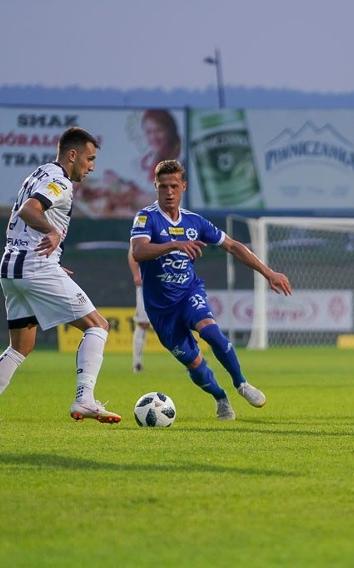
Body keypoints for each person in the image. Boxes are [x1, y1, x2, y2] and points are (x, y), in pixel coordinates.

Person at [0, 127, 121, 429]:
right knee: (98, 326)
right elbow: (28, 210)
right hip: (34, 268)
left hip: (12, 266)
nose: (92, 167)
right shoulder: (60, 182)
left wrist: (48, 256)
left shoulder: (38, 174)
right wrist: (51, 233)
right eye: (89, 159)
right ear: (72, 155)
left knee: (20, 346)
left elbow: (18, 216)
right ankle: (84, 398)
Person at [130, 159, 292, 421]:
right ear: (155, 187)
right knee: (194, 362)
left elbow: (233, 246)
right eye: (163, 187)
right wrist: (174, 245)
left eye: (173, 186)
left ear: (183, 186)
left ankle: (241, 383)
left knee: (211, 331)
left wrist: (268, 272)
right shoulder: (146, 217)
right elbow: (138, 251)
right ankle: (220, 397)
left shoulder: (195, 222)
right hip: (161, 309)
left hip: (188, 293)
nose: (168, 192)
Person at [138, 109, 182, 184]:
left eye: (158, 130)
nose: (153, 137)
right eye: (149, 132)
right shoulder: (139, 163)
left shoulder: (181, 162)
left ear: (170, 131)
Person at [128, 250, 151, 372]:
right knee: (143, 323)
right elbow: (133, 251)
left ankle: (193, 361)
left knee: (180, 320)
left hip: (169, 280)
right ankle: (137, 363)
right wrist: (136, 274)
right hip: (147, 280)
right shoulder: (142, 231)